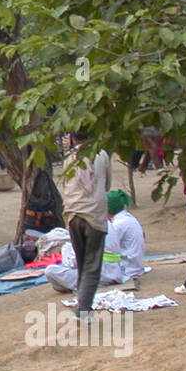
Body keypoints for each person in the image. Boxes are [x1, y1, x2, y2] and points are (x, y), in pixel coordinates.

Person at [60, 132, 111, 316]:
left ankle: (82, 302)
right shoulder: (101, 154)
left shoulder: (69, 158)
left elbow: (65, 186)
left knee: (82, 263)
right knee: (92, 265)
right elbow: (107, 185)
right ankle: (83, 308)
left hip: (73, 214)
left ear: (74, 137)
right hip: (94, 215)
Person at [102, 189, 145, 289]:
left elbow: (107, 246)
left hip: (127, 268)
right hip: (134, 264)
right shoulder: (126, 217)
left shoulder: (118, 224)